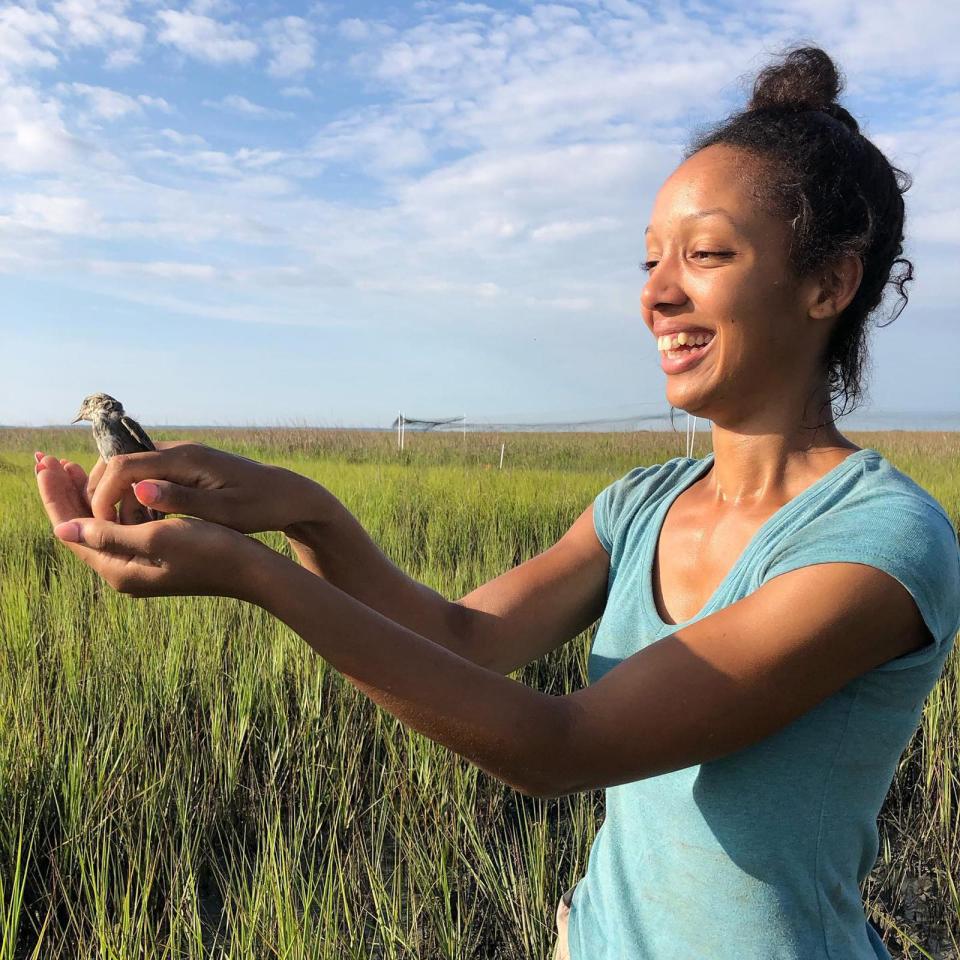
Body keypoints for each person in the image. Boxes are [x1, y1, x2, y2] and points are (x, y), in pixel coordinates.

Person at [35, 45, 960, 960]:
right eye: (649, 262)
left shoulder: (877, 545)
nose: (656, 294)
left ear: (829, 283)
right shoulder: (641, 504)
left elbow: (558, 745)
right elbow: (465, 639)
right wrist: (304, 510)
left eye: (706, 254)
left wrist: (254, 574)